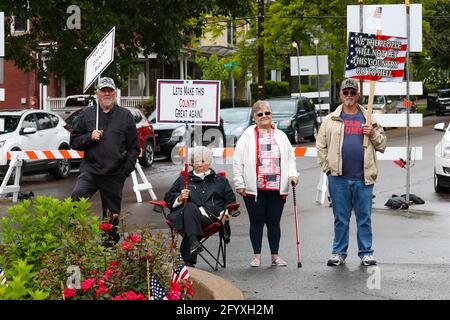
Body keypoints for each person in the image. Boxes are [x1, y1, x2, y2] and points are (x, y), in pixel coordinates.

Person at [316, 78, 387, 267]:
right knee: (341, 218)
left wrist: (372, 133)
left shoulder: (368, 118)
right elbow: (321, 145)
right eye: (345, 92)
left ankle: (366, 253)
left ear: (358, 95)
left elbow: (382, 144)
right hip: (338, 178)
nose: (349, 96)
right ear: (340, 94)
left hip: (363, 178)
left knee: (364, 218)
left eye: (352, 93)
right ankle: (339, 252)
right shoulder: (330, 119)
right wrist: (327, 168)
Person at [70, 77, 140, 245]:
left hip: (114, 174)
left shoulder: (125, 116)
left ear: (115, 93)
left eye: (110, 90)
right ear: (97, 93)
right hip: (91, 172)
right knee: (75, 201)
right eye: (103, 90)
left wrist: (123, 172)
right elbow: (74, 141)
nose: (106, 94)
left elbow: (134, 148)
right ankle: (74, 241)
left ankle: (109, 253)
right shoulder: (86, 115)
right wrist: (89, 137)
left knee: (111, 218)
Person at [233, 100, 299, 267]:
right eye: (260, 114)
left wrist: (292, 174)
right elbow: (237, 160)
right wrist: (239, 182)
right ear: (254, 117)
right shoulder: (247, 136)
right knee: (256, 221)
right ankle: (256, 256)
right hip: (254, 188)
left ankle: (275, 256)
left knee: (274, 222)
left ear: (271, 115)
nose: (264, 116)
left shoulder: (281, 135)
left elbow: (290, 158)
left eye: (267, 113)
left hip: (277, 187)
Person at [164, 146, 236, 267]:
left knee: (190, 217)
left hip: (211, 218)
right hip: (185, 217)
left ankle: (191, 248)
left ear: (209, 162)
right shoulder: (184, 179)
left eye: (203, 161)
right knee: (191, 208)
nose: (199, 164)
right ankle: (193, 245)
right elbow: (168, 197)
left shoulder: (221, 180)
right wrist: (180, 198)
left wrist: (226, 213)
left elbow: (231, 201)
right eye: (196, 161)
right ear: (192, 163)